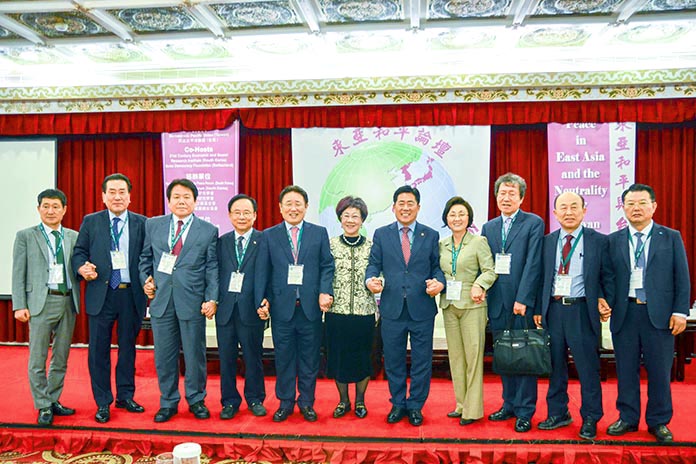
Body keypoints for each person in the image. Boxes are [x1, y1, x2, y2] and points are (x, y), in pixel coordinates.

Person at [603, 183, 690, 443]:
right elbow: (607, 277)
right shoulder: (613, 240)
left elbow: (682, 277)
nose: (636, 208)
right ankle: (627, 417)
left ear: (653, 206)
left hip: (659, 315)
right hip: (625, 313)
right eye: (630, 203)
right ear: (623, 208)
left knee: (660, 371)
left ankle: (659, 421)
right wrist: (603, 300)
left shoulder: (670, 237)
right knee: (626, 369)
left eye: (642, 203)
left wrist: (680, 312)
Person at [139, 178, 219, 423]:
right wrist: (145, 279)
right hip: (162, 300)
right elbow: (145, 259)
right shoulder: (153, 225)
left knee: (195, 355)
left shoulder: (208, 230)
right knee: (164, 355)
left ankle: (196, 399)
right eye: (176, 197)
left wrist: (212, 298)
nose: (181, 201)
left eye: (187, 197)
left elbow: (211, 268)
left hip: (192, 301)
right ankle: (168, 401)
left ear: (195, 201)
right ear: (169, 200)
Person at [366, 185, 445, 427]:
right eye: (401, 203)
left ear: (418, 207)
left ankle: (416, 405)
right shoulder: (382, 234)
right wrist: (370, 280)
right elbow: (373, 264)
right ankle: (398, 403)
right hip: (392, 308)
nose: (406, 207)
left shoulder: (430, 235)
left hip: (422, 308)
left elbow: (436, 268)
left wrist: (439, 282)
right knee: (393, 360)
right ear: (393, 207)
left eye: (411, 203)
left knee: (422, 360)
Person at [255, 185, 334, 422]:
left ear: (306, 207)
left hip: (310, 308)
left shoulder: (319, 233)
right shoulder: (269, 235)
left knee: (310, 359)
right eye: (288, 203)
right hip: (282, 308)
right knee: (284, 358)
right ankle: (286, 402)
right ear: (280, 208)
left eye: (298, 203)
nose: (293, 208)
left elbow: (327, 266)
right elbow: (263, 271)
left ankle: (307, 403)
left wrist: (325, 291)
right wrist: (263, 299)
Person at [72, 173, 147, 424]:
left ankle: (125, 396)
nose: (117, 197)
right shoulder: (91, 221)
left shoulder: (142, 223)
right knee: (98, 351)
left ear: (130, 196)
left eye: (122, 192)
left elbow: (147, 257)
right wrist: (82, 267)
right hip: (101, 294)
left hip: (130, 294)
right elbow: (79, 252)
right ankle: (103, 401)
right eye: (112, 192)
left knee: (128, 349)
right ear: (103, 196)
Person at [535, 192, 607, 440]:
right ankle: (558, 413)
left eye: (574, 207)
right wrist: (538, 309)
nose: (568, 212)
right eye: (563, 207)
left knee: (588, 367)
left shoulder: (598, 241)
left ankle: (591, 417)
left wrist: (603, 298)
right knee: (555, 366)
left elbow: (607, 276)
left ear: (584, 210)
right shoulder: (546, 242)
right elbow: (540, 277)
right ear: (555, 213)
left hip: (582, 311)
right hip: (553, 310)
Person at [12, 189, 81, 426]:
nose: (51, 211)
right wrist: (19, 305)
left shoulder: (73, 236)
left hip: (68, 301)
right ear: (39, 208)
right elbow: (18, 272)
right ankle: (42, 404)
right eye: (46, 206)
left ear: (64, 210)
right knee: (37, 358)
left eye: (55, 206)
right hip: (40, 302)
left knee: (61, 357)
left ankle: (53, 399)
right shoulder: (26, 236)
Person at [481, 172, 543, 433]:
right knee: (505, 355)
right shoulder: (489, 227)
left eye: (511, 194)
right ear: (496, 196)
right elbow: (485, 264)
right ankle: (508, 403)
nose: (506, 198)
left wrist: (523, 298)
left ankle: (525, 410)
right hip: (497, 301)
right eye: (502, 193)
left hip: (521, 303)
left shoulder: (533, 223)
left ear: (521, 198)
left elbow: (533, 263)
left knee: (524, 357)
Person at [438, 196, 497, 426]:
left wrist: (479, 284)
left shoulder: (478, 241)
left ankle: (473, 410)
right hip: (449, 304)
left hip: (473, 305)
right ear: (446, 218)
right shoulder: (442, 244)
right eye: (452, 214)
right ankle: (461, 404)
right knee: (456, 358)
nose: (457, 218)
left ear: (469, 218)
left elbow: (490, 270)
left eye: (461, 214)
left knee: (473, 358)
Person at [215, 194, 267, 420]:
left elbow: (269, 274)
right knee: (226, 358)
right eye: (237, 212)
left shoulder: (264, 241)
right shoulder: (221, 242)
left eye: (247, 212)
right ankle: (229, 401)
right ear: (229, 215)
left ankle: (255, 398)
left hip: (251, 309)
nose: (242, 216)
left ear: (255, 215)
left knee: (253, 357)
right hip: (225, 310)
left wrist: (266, 300)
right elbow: (214, 274)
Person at [326, 196, 377, 419]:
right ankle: (343, 400)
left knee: (363, 357)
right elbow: (324, 273)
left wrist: (379, 283)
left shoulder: (372, 246)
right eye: (346, 215)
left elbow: (380, 272)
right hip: (337, 312)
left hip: (364, 312)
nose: (350, 220)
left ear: (362, 220)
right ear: (340, 219)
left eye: (355, 216)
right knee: (339, 358)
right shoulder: (330, 245)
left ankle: (360, 401)